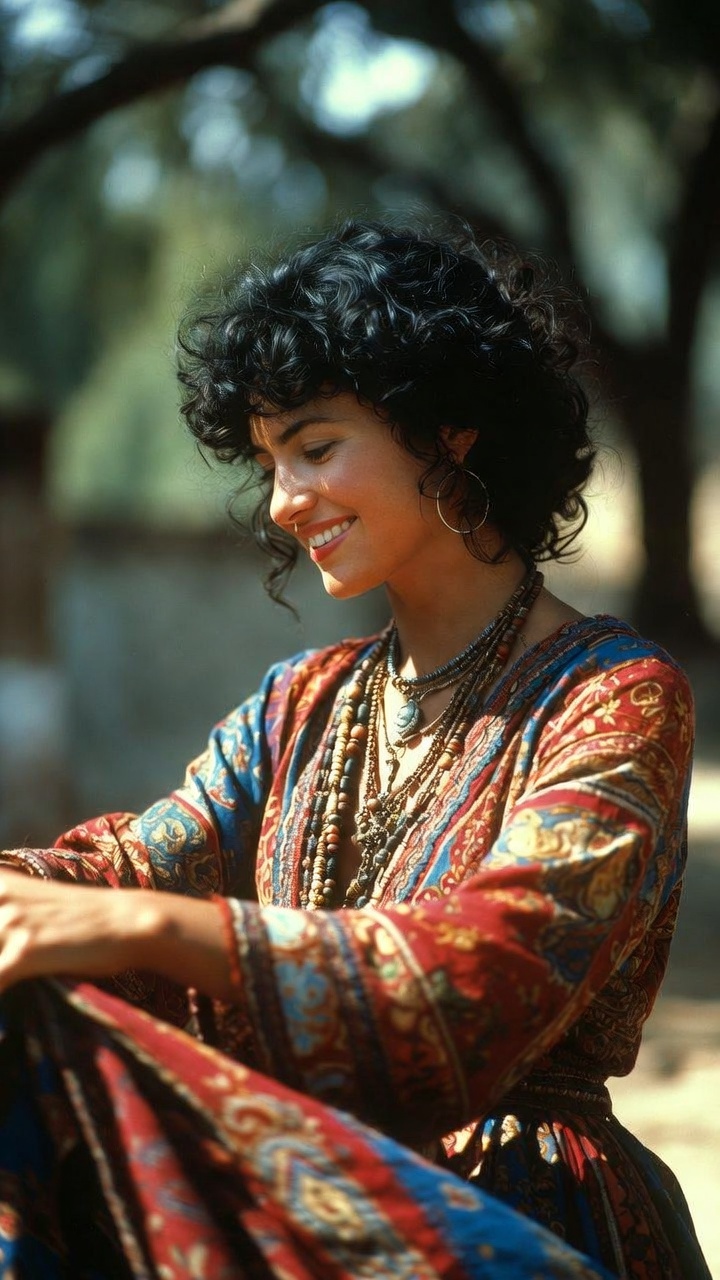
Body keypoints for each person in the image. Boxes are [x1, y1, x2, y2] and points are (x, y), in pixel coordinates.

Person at [0, 217, 710, 1280]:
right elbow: (126, 865)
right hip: (297, 1196)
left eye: (317, 446)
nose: (285, 502)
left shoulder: (615, 697)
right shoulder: (302, 705)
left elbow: (488, 979)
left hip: (518, 1220)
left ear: (449, 426)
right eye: (270, 460)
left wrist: (156, 924)